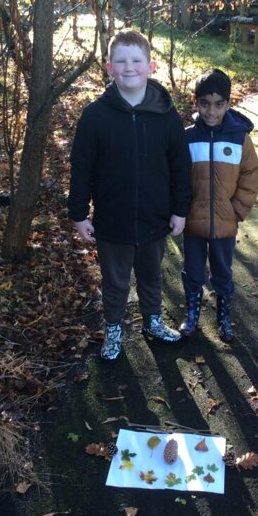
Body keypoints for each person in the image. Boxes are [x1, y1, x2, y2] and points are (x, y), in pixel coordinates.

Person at [68, 29, 191, 361]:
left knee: (151, 276)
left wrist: (180, 209)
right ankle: (113, 329)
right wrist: (78, 214)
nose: (129, 67)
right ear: (109, 68)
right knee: (115, 282)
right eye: (120, 61)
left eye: (136, 60)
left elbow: (181, 166)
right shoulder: (95, 116)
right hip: (113, 222)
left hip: (155, 218)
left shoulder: (166, 115)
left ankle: (153, 321)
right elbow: (81, 168)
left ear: (150, 66)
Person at [179, 69, 258, 343]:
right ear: (195, 102)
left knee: (223, 272)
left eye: (218, 104)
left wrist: (236, 211)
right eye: (204, 103)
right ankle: (192, 314)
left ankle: (223, 316)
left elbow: (250, 176)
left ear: (228, 103)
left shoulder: (240, 138)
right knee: (193, 271)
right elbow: (178, 178)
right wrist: (181, 211)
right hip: (193, 223)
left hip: (226, 224)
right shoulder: (187, 138)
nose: (211, 111)